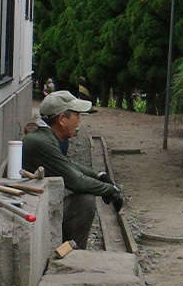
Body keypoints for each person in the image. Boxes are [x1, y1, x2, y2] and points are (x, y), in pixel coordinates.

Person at [23, 90, 122, 248]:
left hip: (34, 204)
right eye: (77, 115)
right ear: (62, 119)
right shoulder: (43, 143)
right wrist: (110, 191)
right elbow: (77, 181)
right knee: (85, 202)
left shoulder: (43, 137)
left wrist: (99, 175)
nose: (79, 121)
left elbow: (67, 163)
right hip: (30, 212)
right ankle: (72, 255)